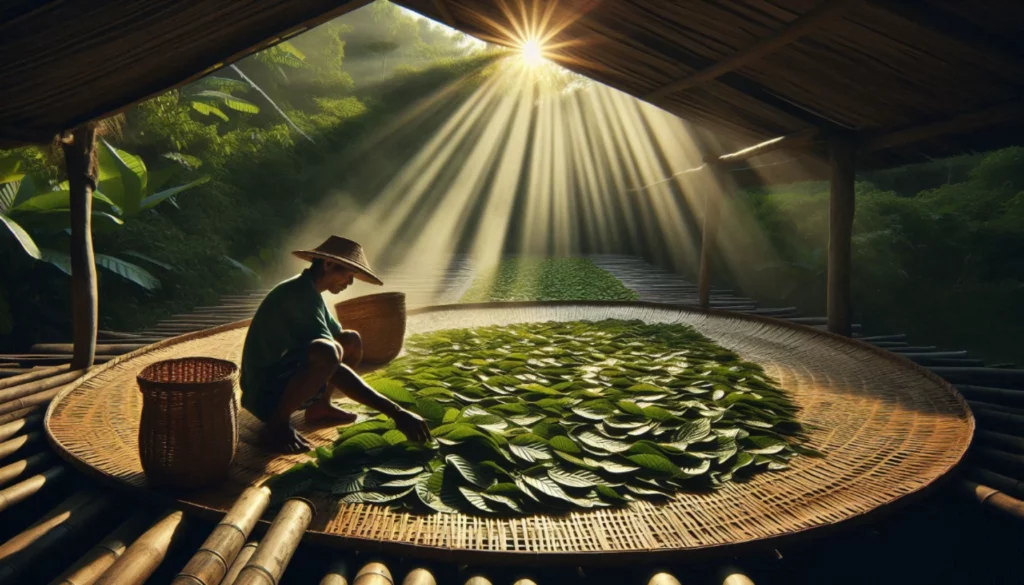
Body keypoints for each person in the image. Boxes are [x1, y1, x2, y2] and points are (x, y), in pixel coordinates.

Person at [240, 236, 429, 453]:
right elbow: (332, 364)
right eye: (349, 275)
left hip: (282, 376)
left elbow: (341, 340)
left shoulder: (311, 292)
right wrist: (397, 412)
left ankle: (320, 407)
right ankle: (276, 424)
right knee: (328, 352)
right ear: (328, 265)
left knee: (351, 340)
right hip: (262, 391)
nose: (349, 283)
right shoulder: (296, 295)